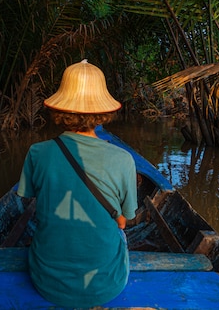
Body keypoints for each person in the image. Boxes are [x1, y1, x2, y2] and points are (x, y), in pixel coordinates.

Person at [17, 59, 138, 308]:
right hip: (107, 286)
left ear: (60, 109)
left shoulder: (37, 152)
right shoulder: (123, 159)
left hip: (46, 282)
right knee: (120, 235)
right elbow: (123, 222)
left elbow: (30, 200)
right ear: (101, 112)